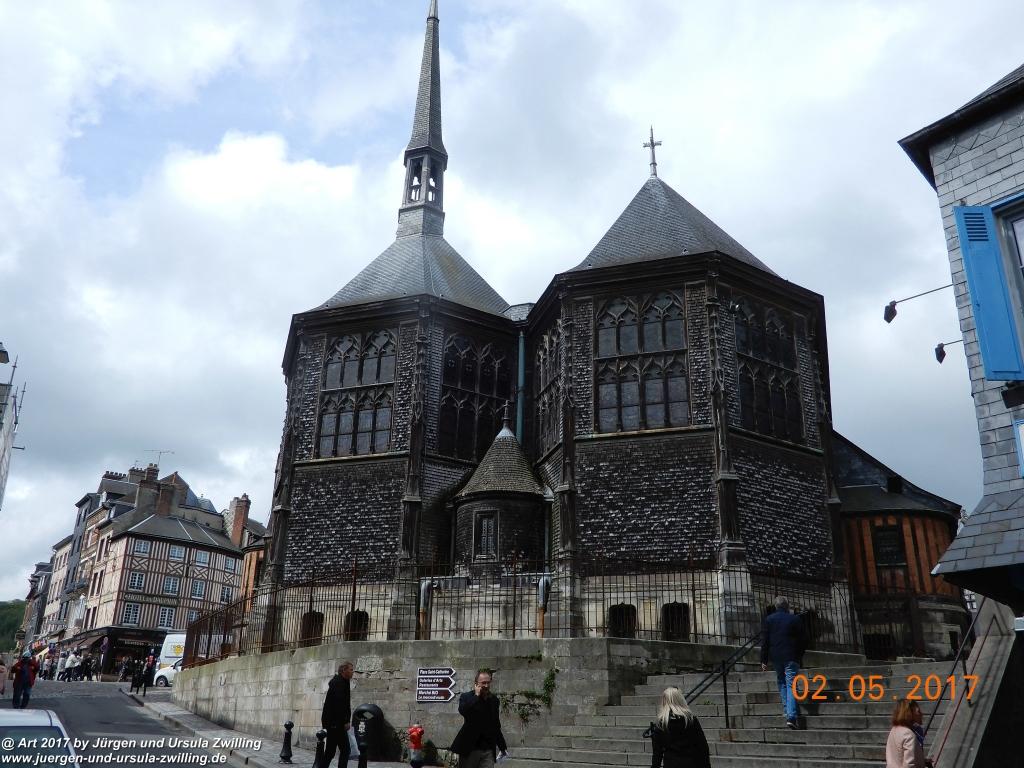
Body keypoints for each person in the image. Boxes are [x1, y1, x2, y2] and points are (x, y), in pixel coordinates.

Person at [760, 595, 806, 729]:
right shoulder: (795, 619)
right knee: (791, 684)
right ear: (787, 606)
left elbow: (765, 641)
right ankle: (791, 716)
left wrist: (764, 659)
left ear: (775, 606)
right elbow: (804, 639)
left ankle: (787, 710)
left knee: (781, 682)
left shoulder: (769, 619)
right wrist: (799, 654)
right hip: (791, 656)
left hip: (776, 657)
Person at [451, 669, 508, 768]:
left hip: (488, 749)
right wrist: (476, 697)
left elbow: (496, 725)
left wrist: (502, 747)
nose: (486, 685)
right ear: (476, 684)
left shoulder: (494, 700)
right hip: (470, 748)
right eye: (483, 683)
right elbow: (463, 711)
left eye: (488, 682)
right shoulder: (467, 697)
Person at [648, 687, 710, 768]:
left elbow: (657, 753)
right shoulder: (690, 720)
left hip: (671, 763)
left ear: (664, 701)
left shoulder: (661, 724)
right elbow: (703, 747)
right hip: (691, 762)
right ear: (680, 699)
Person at [321, 661, 354, 768]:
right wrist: (345, 721)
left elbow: (345, 704)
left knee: (334, 751)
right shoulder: (338, 684)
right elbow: (339, 706)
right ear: (344, 671)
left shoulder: (344, 682)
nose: (352, 672)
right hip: (335, 723)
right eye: (351, 669)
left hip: (336, 723)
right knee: (341, 750)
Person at [886, 698, 933, 768]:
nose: (921, 714)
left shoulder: (894, 730)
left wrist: (922, 761)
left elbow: (899, 757)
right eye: (918, 711)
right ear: (909, 714)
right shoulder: (908, 734)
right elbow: (909, 765)